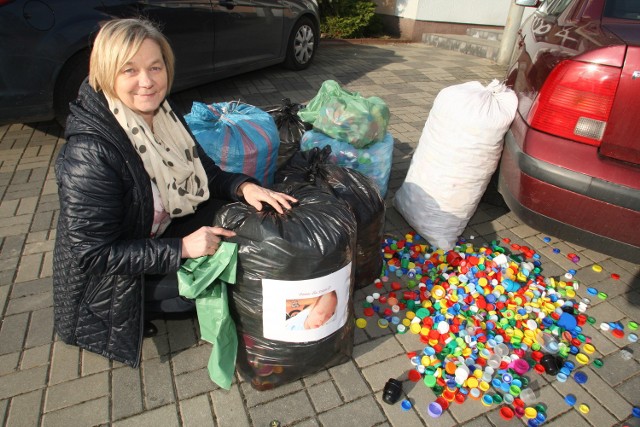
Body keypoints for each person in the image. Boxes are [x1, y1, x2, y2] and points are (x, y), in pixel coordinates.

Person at [52, 18, 297, 368]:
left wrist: (245, 186)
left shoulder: (163, 115)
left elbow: (207, 173)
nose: (147, 81)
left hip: (151, 231)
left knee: (235, 217)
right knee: (188, 296)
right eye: (129, 70)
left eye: (155, 66)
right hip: (103, 284)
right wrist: (182, 248)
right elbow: (93, 254)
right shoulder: (91, 151)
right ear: (106, 73)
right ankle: (139, 310)